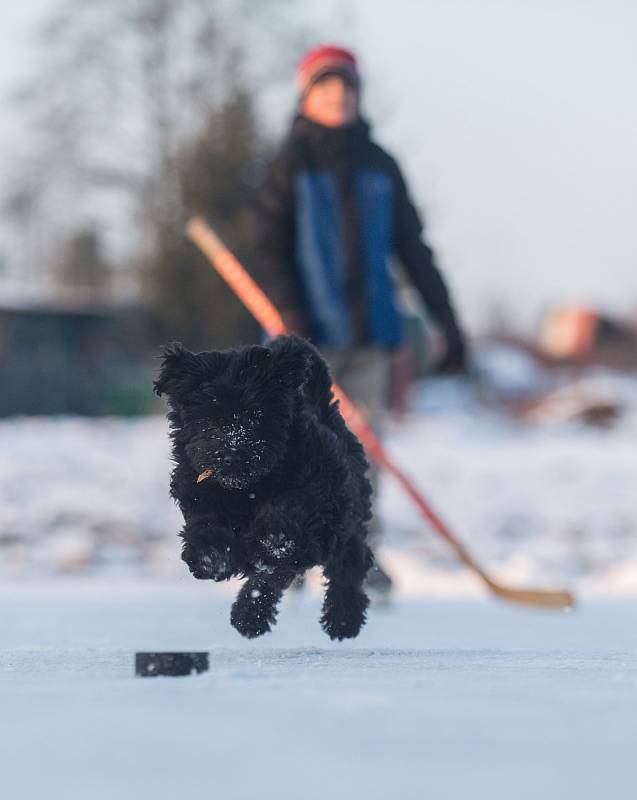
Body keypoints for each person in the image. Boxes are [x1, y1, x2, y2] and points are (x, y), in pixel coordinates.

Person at [252, 44, 467, 596]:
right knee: (298, 444)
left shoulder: (380, 165)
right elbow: (269, 248)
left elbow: (412, 248)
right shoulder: (289, 164)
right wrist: (291, 313)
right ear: (307, 95)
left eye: (346, 87)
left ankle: (355, 553)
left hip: (370, 333)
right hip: (302, 336)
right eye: (327, 87)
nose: (339, 96)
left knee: (362, 449)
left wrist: (447, 318)